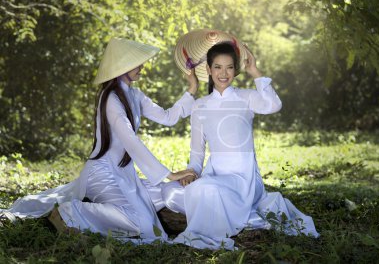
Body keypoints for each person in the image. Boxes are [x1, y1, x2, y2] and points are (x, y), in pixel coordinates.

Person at [1, 38, 197, 243]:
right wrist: (169, 174)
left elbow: (167, 117)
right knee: (143, 222)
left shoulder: (134, 94)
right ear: (122, 66)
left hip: (123, 174)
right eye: (136, 63)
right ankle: (71, 212)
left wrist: (192, 87)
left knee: (165, 194)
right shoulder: (110, 98)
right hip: (102, 174)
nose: (142, 66)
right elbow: (130, 140)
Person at [162, 41, 319, 250]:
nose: (223, 73)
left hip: (244, 180)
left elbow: (274, 105)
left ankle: (226, 213)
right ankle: (215, 202)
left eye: (229, 67)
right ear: (208, 70)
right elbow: (197, 151)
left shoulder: (246, 97)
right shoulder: (200, 105)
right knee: (170, 190)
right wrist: (191, 172)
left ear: (236, 70)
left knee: (206, 189)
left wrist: (255, 71)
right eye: (217, 67)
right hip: (215, 176)